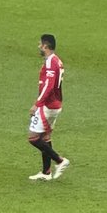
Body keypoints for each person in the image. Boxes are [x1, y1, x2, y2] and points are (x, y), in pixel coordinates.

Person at [28, 33, 70, 182]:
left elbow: (49, 86)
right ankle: (46, 173)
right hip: (55, 104)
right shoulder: (56, 61)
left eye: (40, 44)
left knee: (33, 138)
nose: (39, 47)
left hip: (48, 105)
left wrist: (37, 104)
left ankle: (59, 160)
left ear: (45, 46)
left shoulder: (51, 62)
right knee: (45, 137)